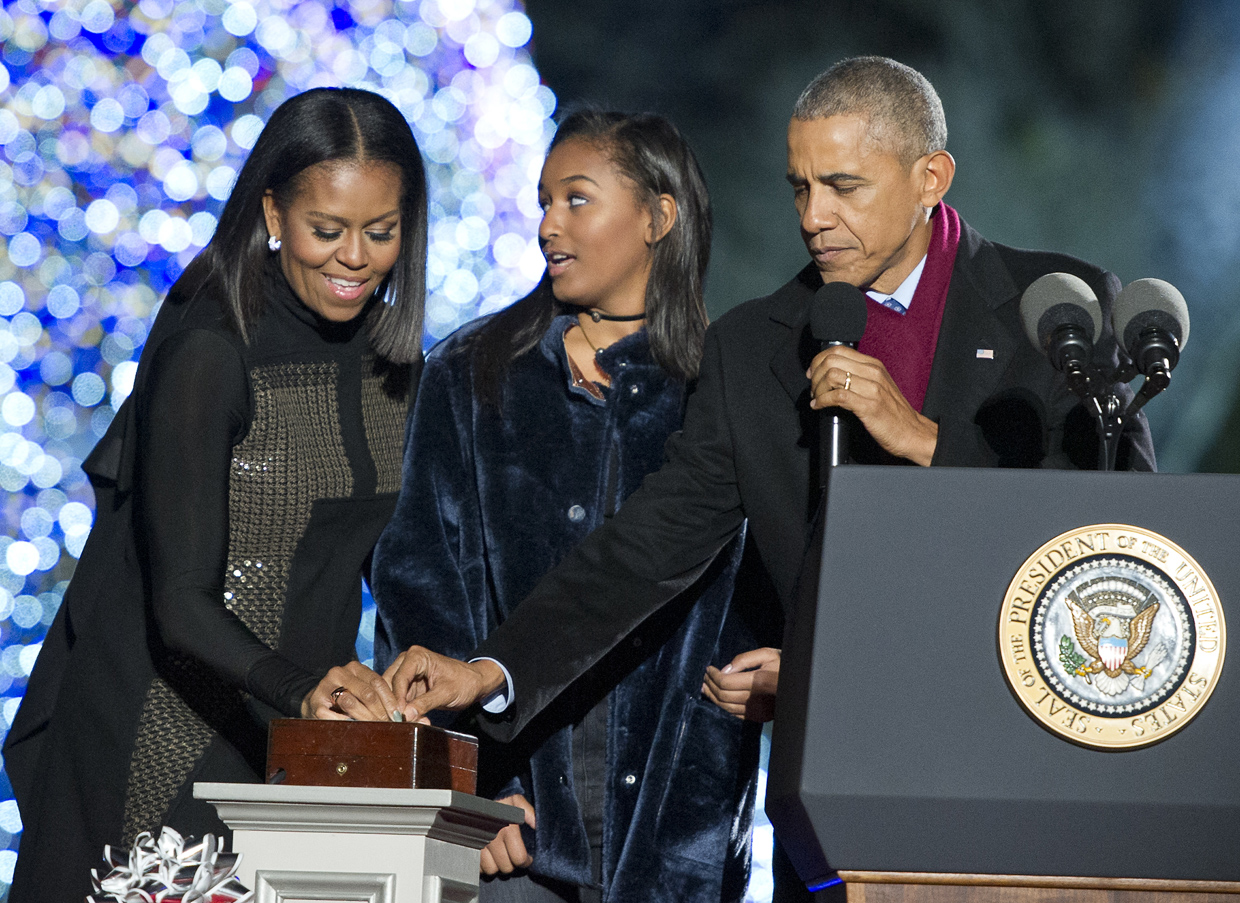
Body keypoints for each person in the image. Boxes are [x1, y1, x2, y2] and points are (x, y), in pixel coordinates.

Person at [379, 54, 1157, 885]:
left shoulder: (1060, 313)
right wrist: (492, 669)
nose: (815, 216)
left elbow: (1125, 545)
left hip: (1028, 773)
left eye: (844, 186)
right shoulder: (753, 348)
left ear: (931, 176)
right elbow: (646, 545)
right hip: (838, 797)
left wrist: (926, 439)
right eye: (799, 187)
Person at [3, 87, 428, 903]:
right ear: (273, 212)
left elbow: (389, 566)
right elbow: (181, 602)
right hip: (159, 732)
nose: (355, 259)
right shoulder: (212, 348)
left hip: (297, 750)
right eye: (326, 230)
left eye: (382, 231)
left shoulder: (397, 366)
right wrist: (298, 686)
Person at [369, 110, 764, 903]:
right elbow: (420, 593)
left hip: (675, 846)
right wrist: (468, 789)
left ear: (659, 216)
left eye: (576, 200)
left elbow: (765, 598)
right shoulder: (469, 375)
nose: (548, 225)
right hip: (514, 841)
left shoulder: (728, 392)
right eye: (543, 202)